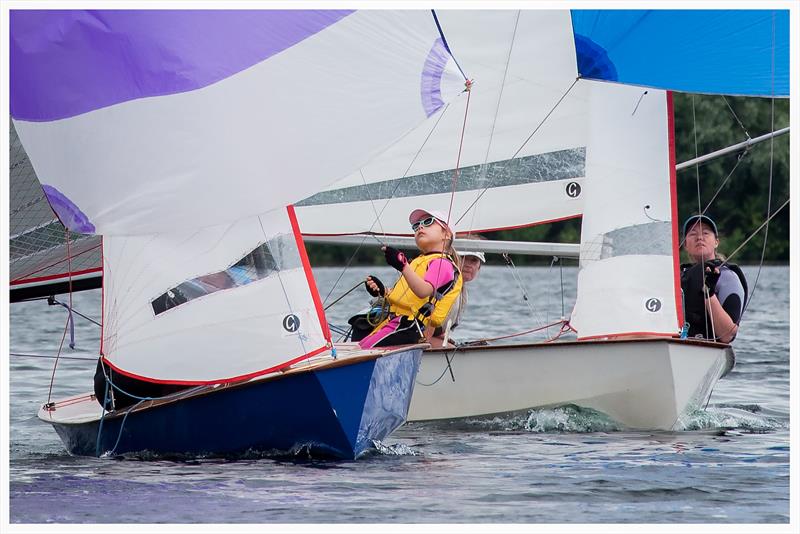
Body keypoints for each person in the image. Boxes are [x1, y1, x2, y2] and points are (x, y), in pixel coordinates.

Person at [357, 209, 463, 349]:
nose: (420, 226)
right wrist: (382, 291)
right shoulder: (419, 262)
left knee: (365, 350)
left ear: (447, 234)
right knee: (361, 346)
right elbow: (406, 296)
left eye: (428, 222)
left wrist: (402, 265)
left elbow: (423, 291)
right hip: (397, 322)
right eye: (416, 225)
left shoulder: (442, 263)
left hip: (411, 326)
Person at [680, 214, 747, 343]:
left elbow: (728, 335)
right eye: (693, 234)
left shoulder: (727, 277)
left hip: (708, 349)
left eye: (705, 233)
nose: (699, 237)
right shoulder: (678, 276)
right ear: (685, 245)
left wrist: (709, 294)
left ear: (716, 242)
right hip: (675, 344)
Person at [430, 235, 486, 348]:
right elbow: (424, 327)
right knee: (453, 350)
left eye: (474, 260)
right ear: (453, 258)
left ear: (479, 267)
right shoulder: (443, 283)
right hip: (413, 338)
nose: (468, 264)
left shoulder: (461, 290)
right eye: (463, 258)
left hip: (429, 337)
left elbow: (440, 330)